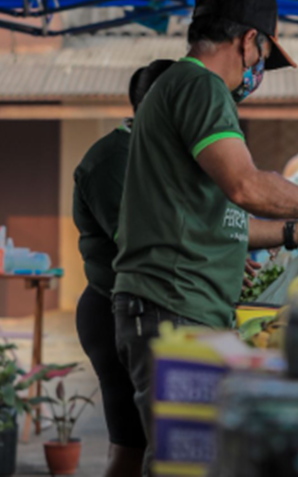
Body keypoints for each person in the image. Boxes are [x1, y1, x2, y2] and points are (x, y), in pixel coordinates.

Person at [113, 0, 298, 473]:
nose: (259, 70)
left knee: (194, 456)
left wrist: (289, 230)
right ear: (248, 41)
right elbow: (247, 186)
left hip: (180, 300)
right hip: (173, 301)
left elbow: (219, 217)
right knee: (185, 460)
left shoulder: (181, 88)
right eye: (263, 55)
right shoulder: (200, 86)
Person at [73, 59, 174, 477]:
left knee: (148, 442)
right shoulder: (114, 158)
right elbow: (142, 240)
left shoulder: (158, 153)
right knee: (131, 446)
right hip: (114, 312)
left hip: (146, 307)